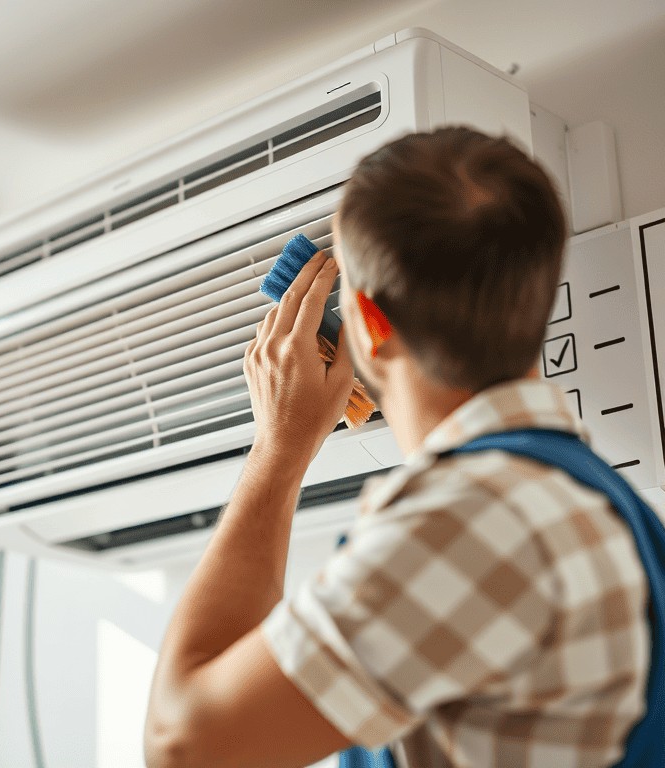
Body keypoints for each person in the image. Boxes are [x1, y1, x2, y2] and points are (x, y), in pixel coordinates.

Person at [143, 126, 650, 768]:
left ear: (368, 322)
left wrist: (278, 449)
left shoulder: (471, 524)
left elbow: (182, 745)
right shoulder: (602, 504)